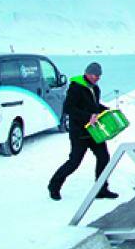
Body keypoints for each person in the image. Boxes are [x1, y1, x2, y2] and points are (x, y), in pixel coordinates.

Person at [48, 62, 118, 201]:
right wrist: (88, 116)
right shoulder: (76, 88)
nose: (97, 78)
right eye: (94, 75)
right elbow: (69, 108)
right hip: (79, 133)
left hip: (94, 131)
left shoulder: (94, 88)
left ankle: (101, 189)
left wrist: (105, 109)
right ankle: (54, 186)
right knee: (74, 162)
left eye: (99, 76)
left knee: (104, 157)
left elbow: (93, 105)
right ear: (87, 73)